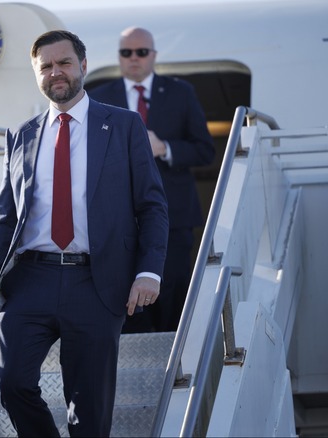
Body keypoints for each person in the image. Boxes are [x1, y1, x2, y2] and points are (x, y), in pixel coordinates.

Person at [0, 30, 168, 437]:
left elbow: (151, 206)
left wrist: (148, 271)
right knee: (10, 381)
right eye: (45, 66)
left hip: (96, 282)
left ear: (82, 66)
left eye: (63, 63)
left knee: (90, 406)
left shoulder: (124, 126)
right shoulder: (22, 135)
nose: (55, 72)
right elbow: (3, 220)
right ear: (37, 75)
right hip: (30, 280)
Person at [88, 26, 215, 333]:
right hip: (121, 219)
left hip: (174, 215)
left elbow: (205, 151)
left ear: (153, 55)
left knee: (171, 292)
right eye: (126, 52)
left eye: (141, 52)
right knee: (127, 298)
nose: (134, 58)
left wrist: (165, 148)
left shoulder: (180, 92)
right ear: (119, 57)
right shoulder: (99, 98)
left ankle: (177, 366)